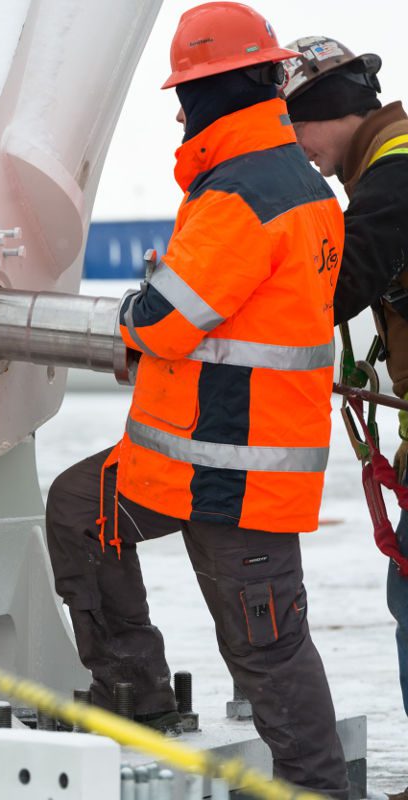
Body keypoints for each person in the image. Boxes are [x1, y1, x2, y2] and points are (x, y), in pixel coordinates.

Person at [43, 4, 350, 796]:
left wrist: (135, 315)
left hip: (233, 476)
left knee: (268, 652)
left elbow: (162, 320)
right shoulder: (286, 182)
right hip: (190, 461)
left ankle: (320, 790)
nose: (180, 109)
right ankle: (135, 696)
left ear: (223, 89)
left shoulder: (240, 194)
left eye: (188, 90)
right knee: (82, 510)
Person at [281, 33, 408, 784]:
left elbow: (337, 286)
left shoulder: (393, 175)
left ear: (329, 110)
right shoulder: (384, 168)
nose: (294, 150)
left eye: (295, 127)